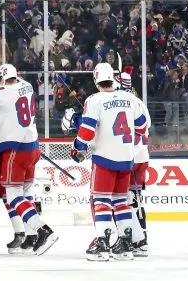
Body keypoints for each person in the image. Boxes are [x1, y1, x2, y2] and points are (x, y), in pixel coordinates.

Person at [0, 62, 58, 255]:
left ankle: (42, 230)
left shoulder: (1, 93)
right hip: (33, 147)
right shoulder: (27, 85)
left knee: (13, 195)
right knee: (27, 192)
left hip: (15, 149)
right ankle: (31, 234)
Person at [72, 62, 148, 261]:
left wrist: (78, 147)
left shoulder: (94, 100)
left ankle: (103, 243)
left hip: (104, 158)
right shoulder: (130, 98)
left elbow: (87, 131)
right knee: (121, 201)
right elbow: (142, 126)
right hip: (126, 159)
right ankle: (125, 244)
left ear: (97, 81)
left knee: (101, 201)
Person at [118, 69, 152, 257]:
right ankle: (143, 240)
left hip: (128, 158)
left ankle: (135, 239)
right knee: (137, 199)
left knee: (125, 200)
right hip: (142, 157)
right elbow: (147, 130)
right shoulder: (141, 104)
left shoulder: (122, 103)